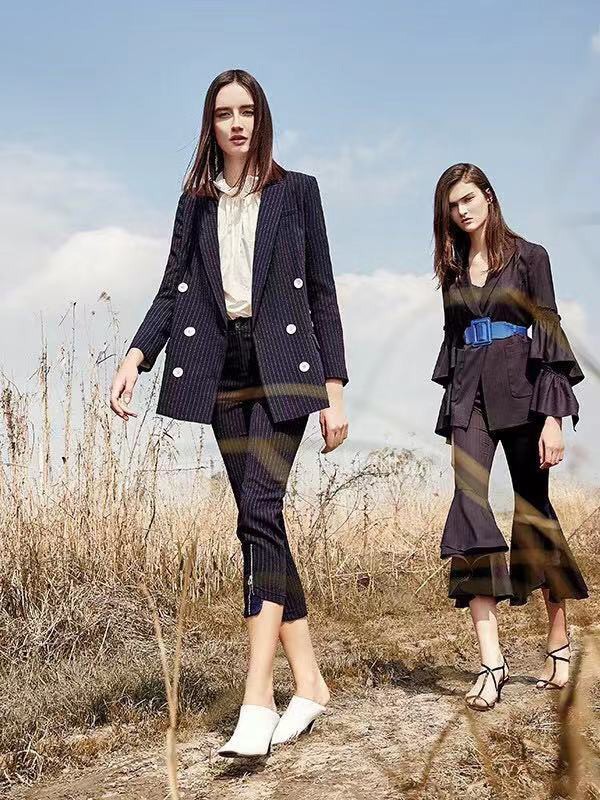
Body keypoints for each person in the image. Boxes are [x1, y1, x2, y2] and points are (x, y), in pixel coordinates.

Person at [110, 69, 349, 753]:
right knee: (258, 521)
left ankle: (257, 696)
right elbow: (171, 288)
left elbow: (323, 292)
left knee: (260, 511)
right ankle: (310, 681)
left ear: (261, 119)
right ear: (210, 125)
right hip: (221, 367)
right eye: (224, 114)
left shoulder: (298, 192)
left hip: (285, 367)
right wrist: (136, 356)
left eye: (246, 111)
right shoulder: (195, 203)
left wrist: (334, 389)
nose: (237, 123)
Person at [431, 163, 588, 711]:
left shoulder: (530, 257)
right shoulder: (452, 272)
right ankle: (491, 661)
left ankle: (558, 641)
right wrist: (453, 410)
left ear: (489, 198)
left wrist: (553, 418)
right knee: (470, 509)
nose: (462, 211)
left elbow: (547, 330)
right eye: (453, 205)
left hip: (523, 392)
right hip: (468, 396)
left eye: (468, 199)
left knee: (533, 510)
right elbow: (453, 341)